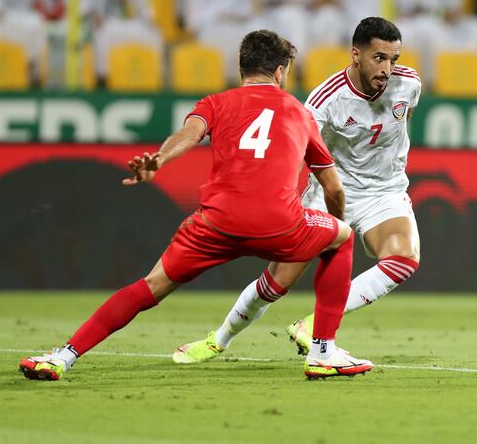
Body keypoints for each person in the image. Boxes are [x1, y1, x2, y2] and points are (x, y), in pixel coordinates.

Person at [19, 30, 373, 381]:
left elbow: (188, 135)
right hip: (279, 225)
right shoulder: (301, 114)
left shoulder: (216, 103)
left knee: (149, 286)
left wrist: (159, 159)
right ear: (281, 71)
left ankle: (63, 357)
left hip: (216, 225)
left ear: (241, 69)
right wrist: (329, 224)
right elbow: (333, 188)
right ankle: (323, 352)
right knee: (340, 237)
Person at [173, 17, 422, 362]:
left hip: (385, 190)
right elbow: (298, 151)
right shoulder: (325, 99)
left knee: (403, 259)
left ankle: (314, 325)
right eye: (379, 58)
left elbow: (400, 126)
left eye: (394, 59)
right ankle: (219, 338)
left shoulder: (409, 85)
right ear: (355, 55)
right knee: (278, 282)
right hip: (331, 190)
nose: (388, 68)